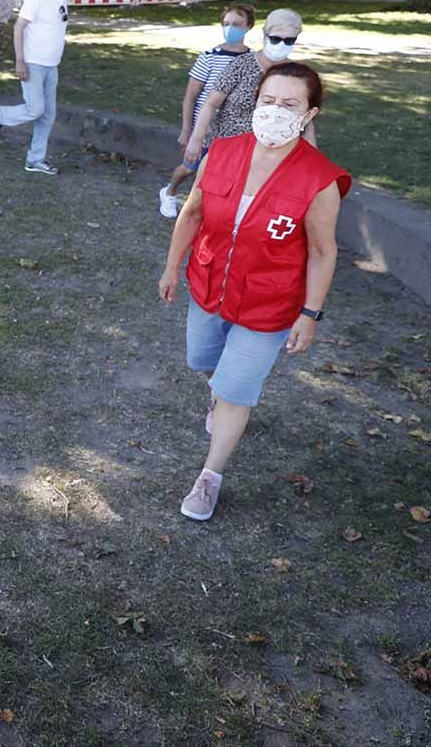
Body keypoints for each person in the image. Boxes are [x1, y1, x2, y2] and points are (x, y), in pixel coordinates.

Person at [158, 63, 350, 522]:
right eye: (268, 100)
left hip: (269, 304)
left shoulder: (319, 179)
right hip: (209, 287)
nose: (275, 111)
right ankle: (219, 391)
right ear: (254, 101)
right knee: (201, 361)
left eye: (289, 104)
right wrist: (171, 268)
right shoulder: (221, 152)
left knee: (236, 391)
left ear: (309, 114)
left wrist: (310, 313)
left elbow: (323, 252)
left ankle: (210, 476)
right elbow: (192, 215)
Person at [183, 8, 315, 170]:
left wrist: (312, 155)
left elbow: (306, 120)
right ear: (265, 35)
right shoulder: (241, 65)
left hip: (271, 154)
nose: (281, 44)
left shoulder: (296, 74)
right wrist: (196, 139)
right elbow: (211, 103)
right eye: (275, 39)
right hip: (229, 148)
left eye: (289, 40)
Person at [158, 4, 255, 219]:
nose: (231, 28)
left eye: (237, 24)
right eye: (226, 24)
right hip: (204, 125)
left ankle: (207, 207)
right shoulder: (209, 56)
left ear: (248, 26)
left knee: (221, 170)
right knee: (190, 166)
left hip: (233, 128)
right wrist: (187, 130)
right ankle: (170, 191)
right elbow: (191, 95)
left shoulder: (253, 60)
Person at [0, 0, 78, 176]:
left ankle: (35, 159)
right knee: (35, 109)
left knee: (47, 115)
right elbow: (19, 28)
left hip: (52, 65)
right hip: (33, 62)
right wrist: (20, 60)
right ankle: (0, 115)